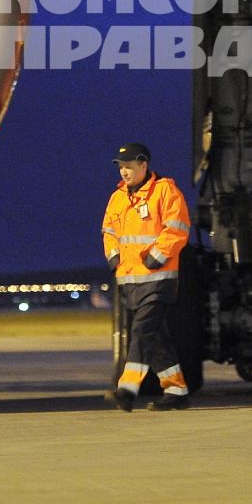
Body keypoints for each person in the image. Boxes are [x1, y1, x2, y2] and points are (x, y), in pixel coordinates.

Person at [102, 142, 193, 411]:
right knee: (154, 338)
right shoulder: (117, 197)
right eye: (121, 168)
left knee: (142, 332)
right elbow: (108, 230)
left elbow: (177, 227)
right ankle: (177, 391)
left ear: (144, 165)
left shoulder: (165, 191)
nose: (124, 172)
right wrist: (114, 258)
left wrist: (158, 255)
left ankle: (127, 389)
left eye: (129, 167)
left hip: (158, 279)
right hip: (130, 281)